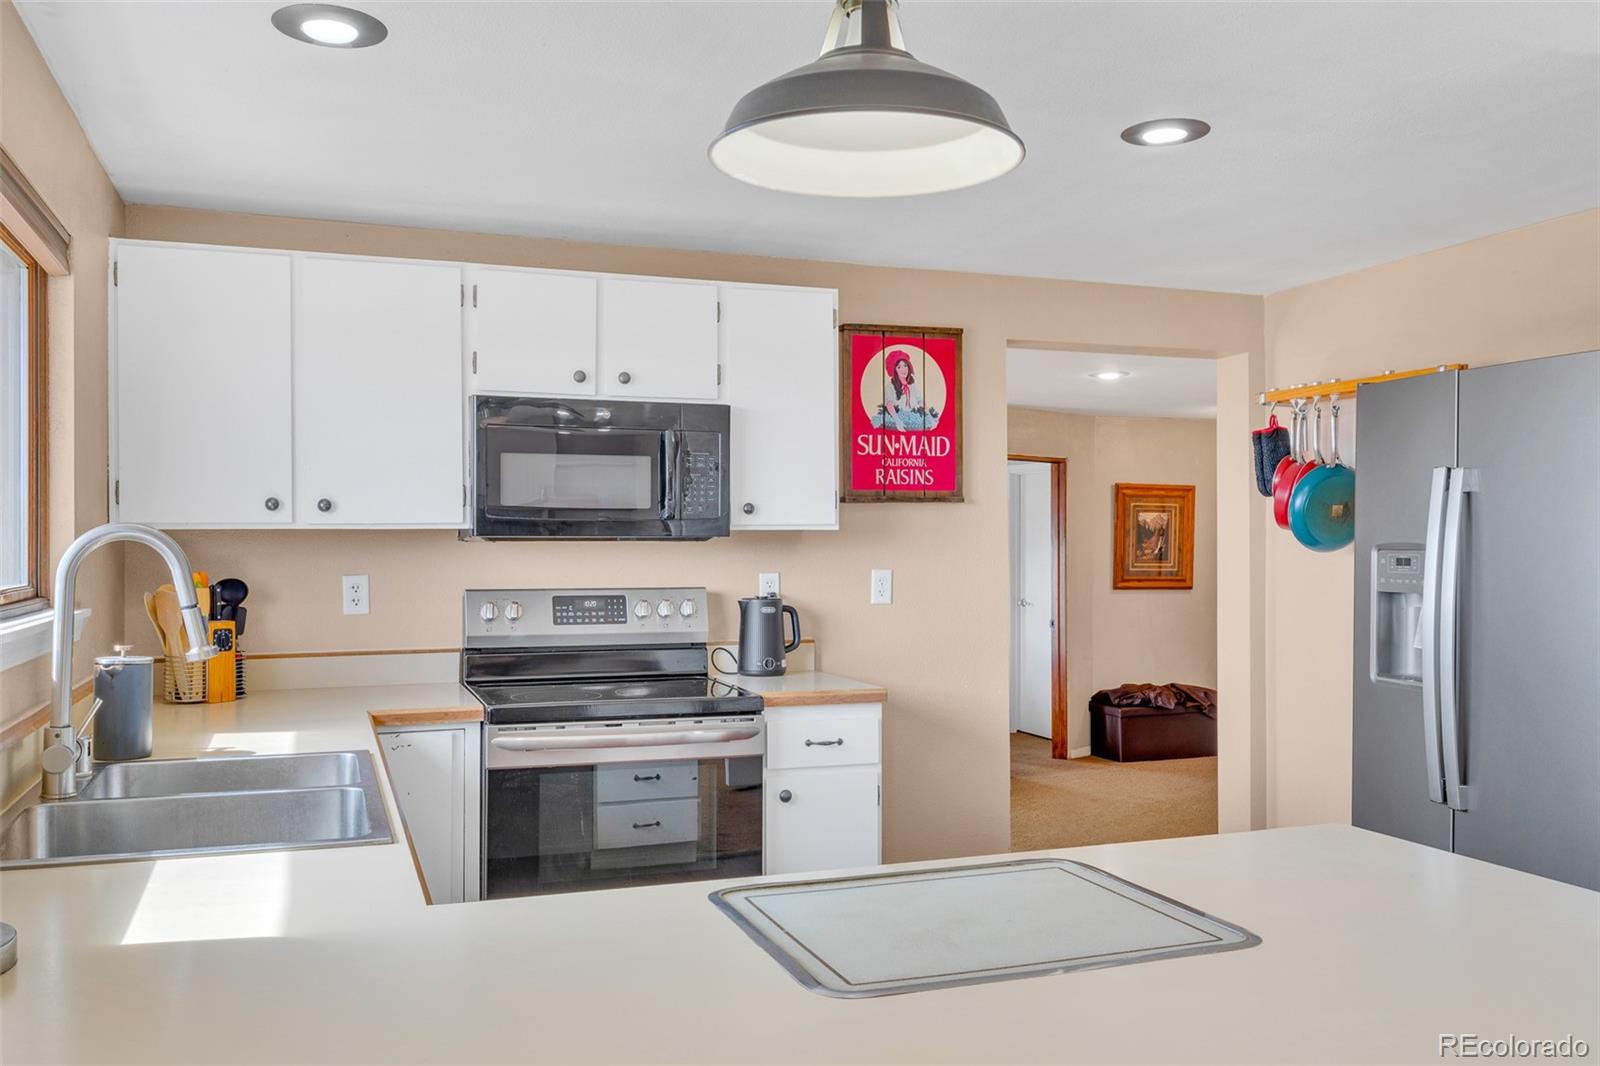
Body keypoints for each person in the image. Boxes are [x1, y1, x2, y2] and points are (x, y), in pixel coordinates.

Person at [883, 351, 928, 431]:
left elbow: (920, 400)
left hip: (913, 417)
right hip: (897, 418)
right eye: (899, 367)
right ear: (894, 370)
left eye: (905, 365)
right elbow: (889, 404)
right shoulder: (890, 387)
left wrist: (929, 416)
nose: (903, 369)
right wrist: (898, 421)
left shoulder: (912, 385)